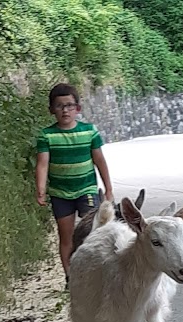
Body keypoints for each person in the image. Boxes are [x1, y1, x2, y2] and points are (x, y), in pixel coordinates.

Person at [35, 83, 114, 286]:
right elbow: (42, 164)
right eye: (60, 106)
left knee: (94, 230)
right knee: (66, 235)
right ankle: (70, 277)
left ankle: (97, 272)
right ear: (51, 109)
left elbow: (100, 161)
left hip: (86, 189)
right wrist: (41, 190)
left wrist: (108, 189)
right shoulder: (47, 135)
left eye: (69, 105)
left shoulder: (89, 132)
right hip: (60, 193)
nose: (65, 110)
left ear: (78, 108)